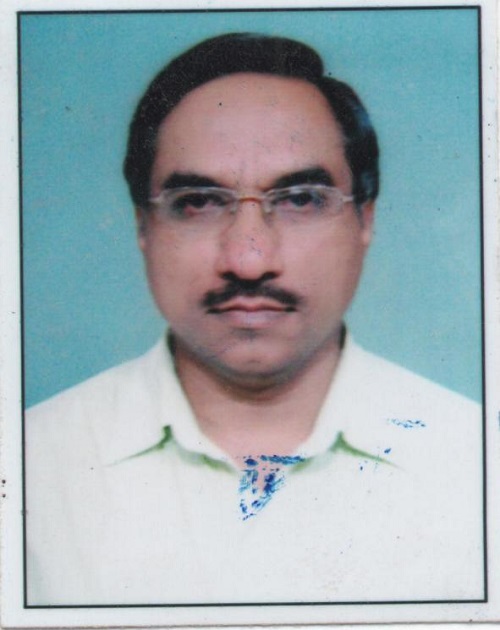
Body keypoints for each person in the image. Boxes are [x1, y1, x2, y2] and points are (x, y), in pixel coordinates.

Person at [26, 32, 483, 605]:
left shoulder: (475, 461)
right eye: (198, 202)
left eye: (300, 199)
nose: (249, 259)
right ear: (143, 226)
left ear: (365, 219)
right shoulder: (30, 467)